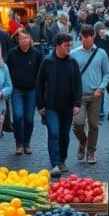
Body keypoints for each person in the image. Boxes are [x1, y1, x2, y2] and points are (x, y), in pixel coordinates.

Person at [36, 33, 82, 178]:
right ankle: (55, 163)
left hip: (68, 106)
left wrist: (77, 103)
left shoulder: (72, 62)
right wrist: (40, 105)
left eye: (70, 45)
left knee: (64, 135)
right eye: (66, 45)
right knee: (54, 133)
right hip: (51, 106)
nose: (69, 48)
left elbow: (78, 84)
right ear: (58, 46)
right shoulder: (47, 62)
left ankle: (62, 159)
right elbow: (39, 84)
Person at [70, 25, 109, 164]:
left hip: (95, 95)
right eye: (82, 37)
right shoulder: (74, 54)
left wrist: (101, 88)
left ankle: (91, 152)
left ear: (93, 36)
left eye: (87, 37)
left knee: (94, 125)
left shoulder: (101, 53)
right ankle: (83, 141)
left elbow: (107, 73)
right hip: (78, 96)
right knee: (77, 124)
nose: (85, 40)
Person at [6, 29, 43, 155]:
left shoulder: (36, 54)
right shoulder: (12, 53)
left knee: (29, 118)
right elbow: (7, 69)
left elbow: (41, 72)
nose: (24, 41)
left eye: (26, 38)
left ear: (30, 39)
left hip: (31, 90)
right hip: (16, 89)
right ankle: (19, 143)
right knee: (17, 116)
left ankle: (27, 143)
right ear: (18, 40)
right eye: (21, 39)